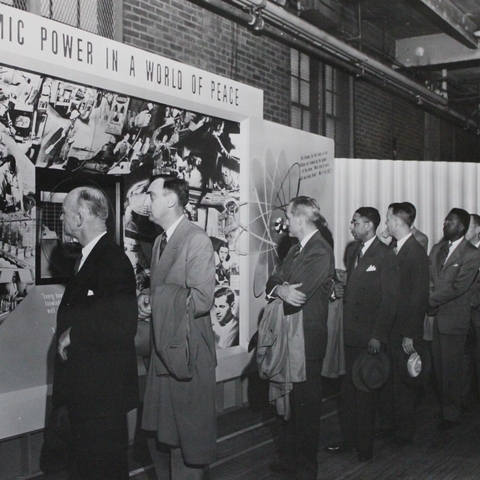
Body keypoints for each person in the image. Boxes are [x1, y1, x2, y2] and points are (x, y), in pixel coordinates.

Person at [52, 186, 139, 479]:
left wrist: (73, 334)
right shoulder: (90, 257)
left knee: (104, 470)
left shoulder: (112, 261)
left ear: (79, 218)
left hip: (101, 399)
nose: (61, 220)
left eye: (63, 213)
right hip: (88, 396)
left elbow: (122, 325)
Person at [139, 175, 216, 479]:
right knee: (163, 438)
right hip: (165, 354)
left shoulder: (196, 239)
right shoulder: (160, 241)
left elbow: (201, 299)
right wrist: (146, 297)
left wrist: (155, 299)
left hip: (187, 355)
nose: (147, 201)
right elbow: (164, 289)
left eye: (151, 195)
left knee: (187, 444)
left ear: (171, 200)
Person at [265, 196, 334, 480]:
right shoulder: (295, 250)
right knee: (289, 406)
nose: (287, 223)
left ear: (301, 220)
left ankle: (306, 470)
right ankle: (291, 461)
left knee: (305, 408)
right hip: (288, 338)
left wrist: (281, 290)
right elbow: (273, 284)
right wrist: (280, 289)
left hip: (306, 340)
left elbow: (298, 295)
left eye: (290, 218)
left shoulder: (320, 251)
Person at [326, 207, 399, 461]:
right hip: (349, 336)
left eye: (355, 222)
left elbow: (389, 301)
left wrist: (378, 335)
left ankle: (365, 448)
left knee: (365, 393)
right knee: (347, 394)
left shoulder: (386, 255)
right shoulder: (354, 252)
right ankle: (349, 440)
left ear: (369, 226)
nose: (351, 226)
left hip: (369, 338)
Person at [378, 202, 430, 447]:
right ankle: (391, 426)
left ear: (397, 222)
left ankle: (404, 433)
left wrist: (410, 334)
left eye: (388, 219)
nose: (386, 224)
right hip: (391, 329)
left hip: (405, 331)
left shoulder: (416, 252)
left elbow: (419, 297)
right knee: (391, 380)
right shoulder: (396, 248)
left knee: (404, 383)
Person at [428, 208, 480, 430]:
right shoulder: (437, 248)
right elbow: (429, 276)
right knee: (439, 368)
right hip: (435, 319)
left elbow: (459, 287)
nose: (444, 223)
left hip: (454, 319)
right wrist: (429, 297)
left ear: (462, 227)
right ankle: (447, 407)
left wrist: (431, 300)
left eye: (450, 221)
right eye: (445, 220)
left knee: (452, 369)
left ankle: (451, 414)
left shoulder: (471, 254)